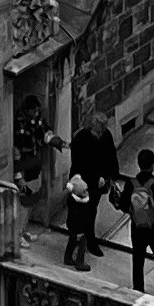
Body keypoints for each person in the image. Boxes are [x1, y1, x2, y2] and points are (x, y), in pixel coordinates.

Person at [119, 146, 154, 301]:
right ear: (153, 164)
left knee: (138, 259)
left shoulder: (130, 184)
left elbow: (124, 206)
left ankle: (138, 289)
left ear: (138, 164)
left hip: (137, 228)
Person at [63, 115, 117, 273]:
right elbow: (80, 163)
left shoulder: (106, 135)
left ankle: (87, 244)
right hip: (82, 184)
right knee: (80, 220)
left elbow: (111, 155)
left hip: (96, 184)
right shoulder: (81, 138)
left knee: (90, 212)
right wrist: (95, 178)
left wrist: (111, 176)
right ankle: (79, 257)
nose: (103, 131)